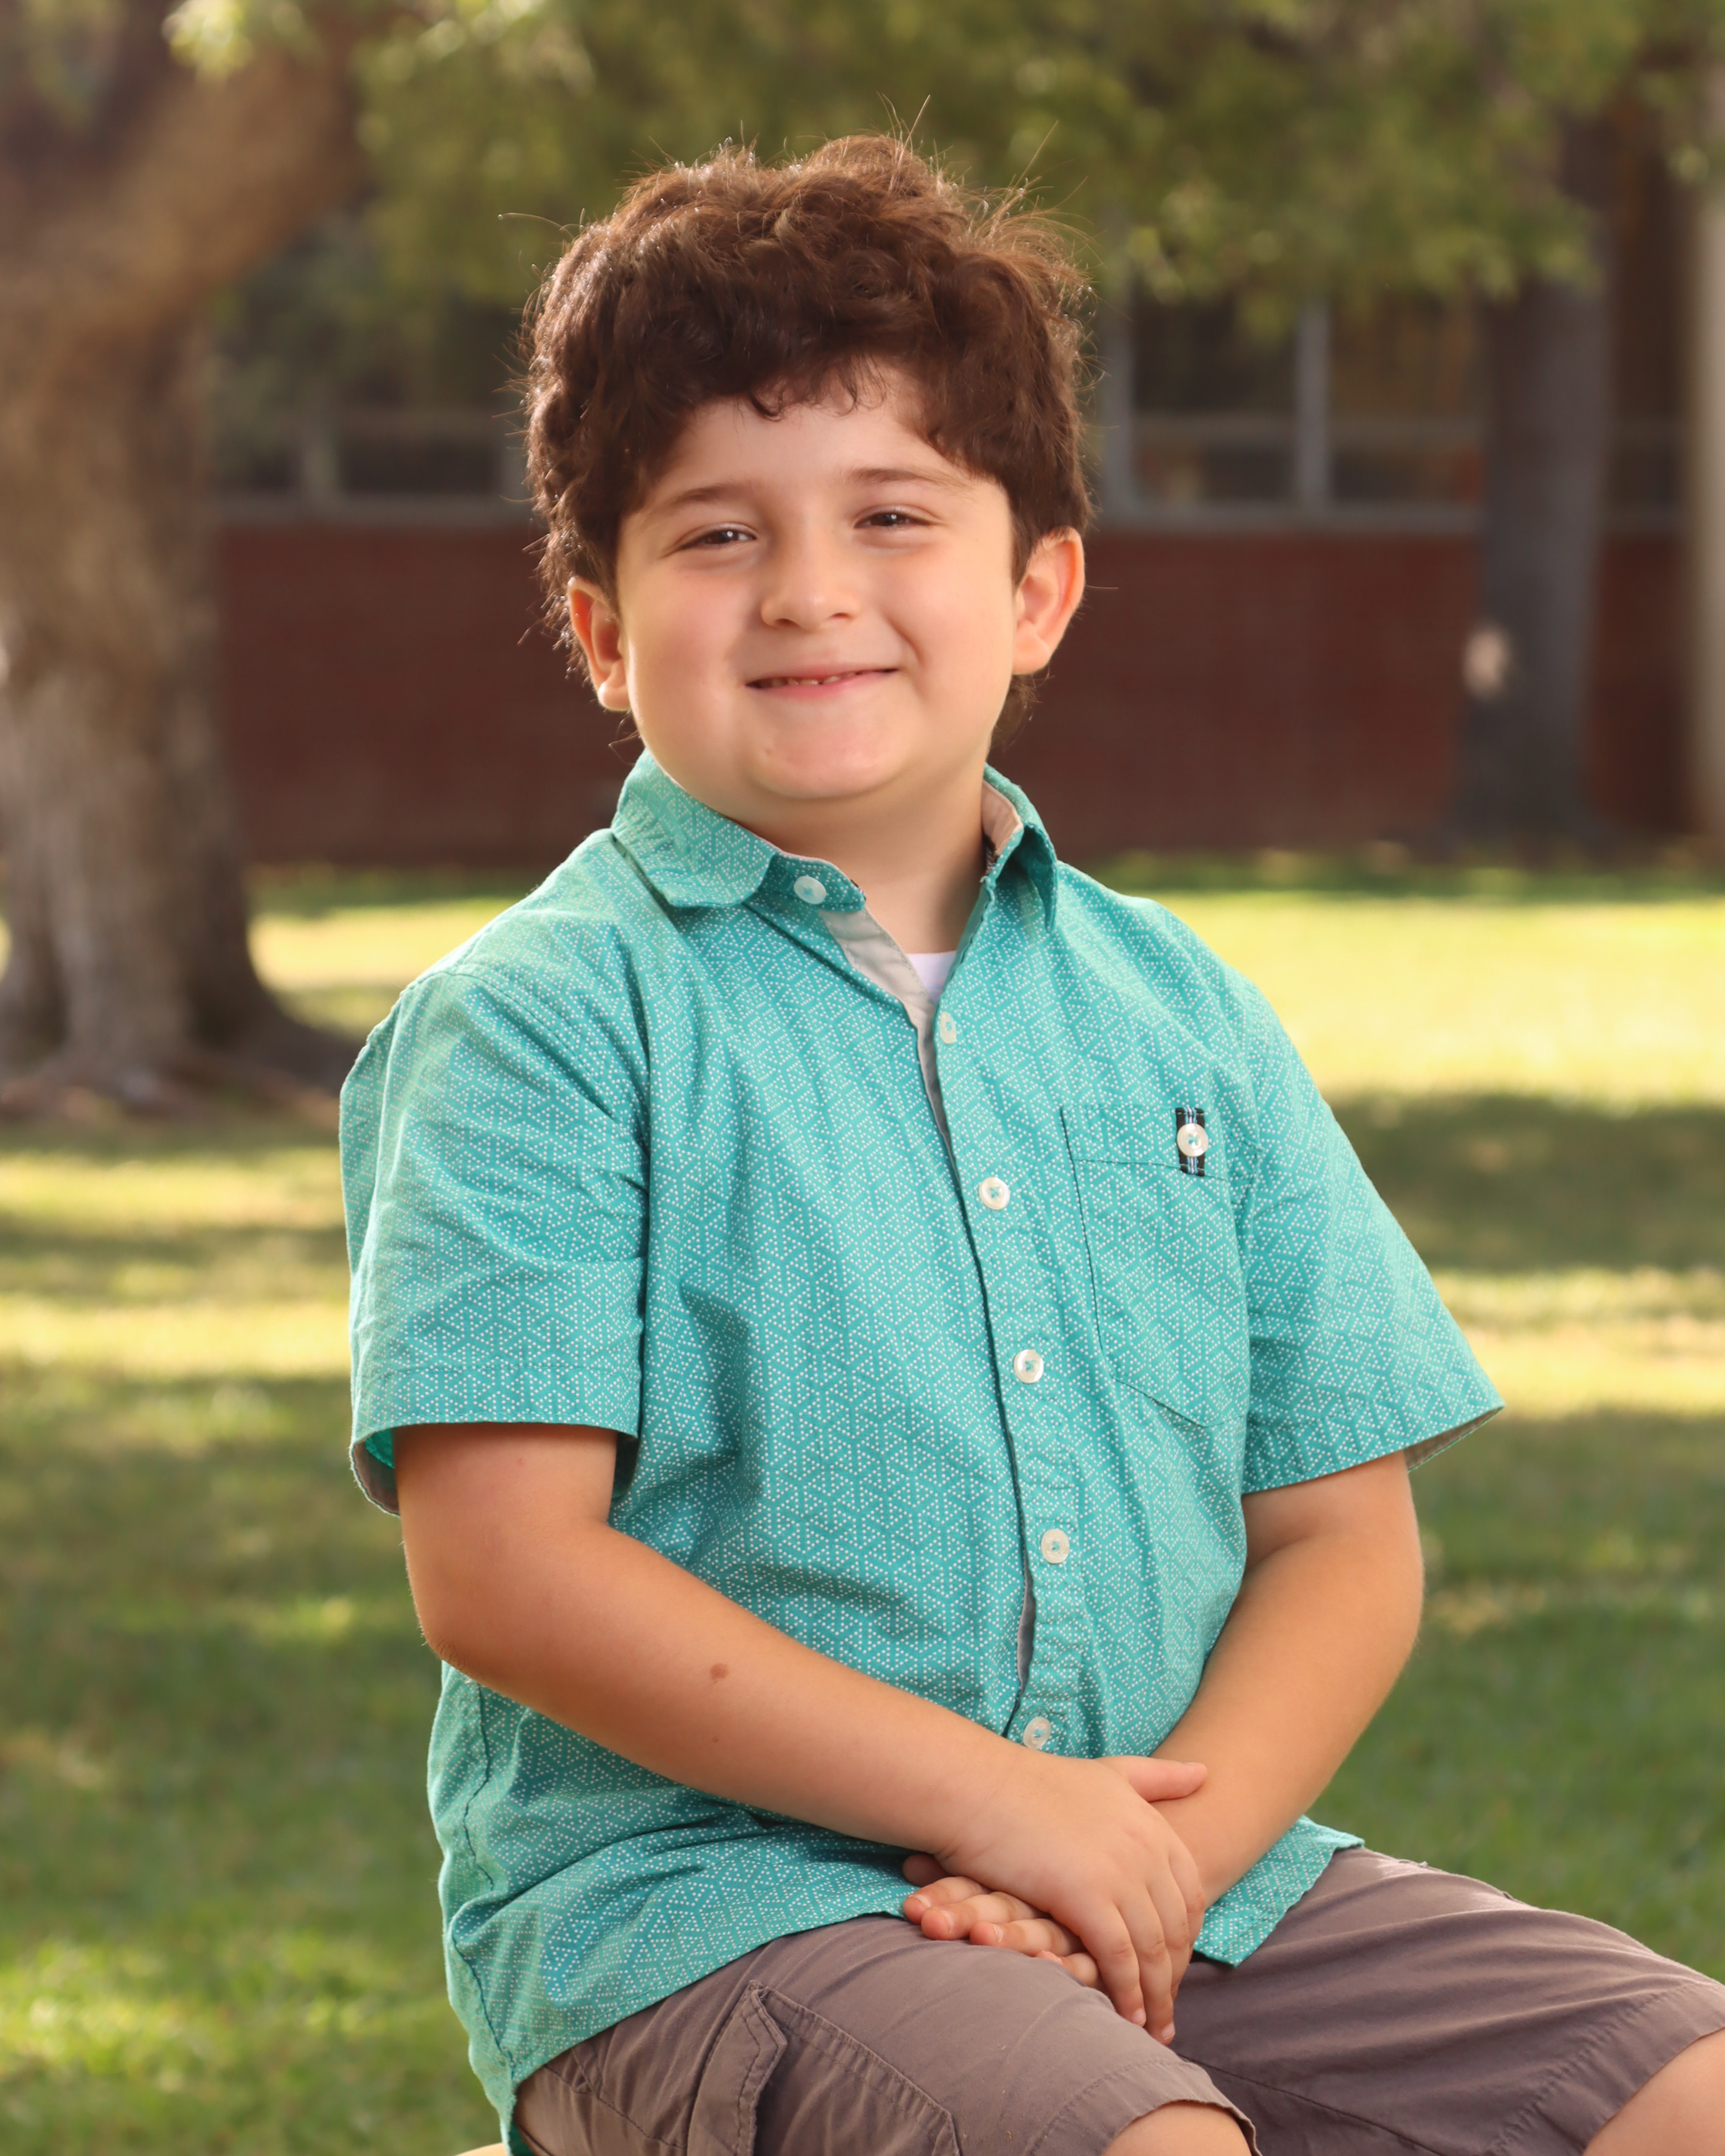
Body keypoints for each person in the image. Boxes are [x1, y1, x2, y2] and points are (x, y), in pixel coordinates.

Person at [339, 135, 1725, 2156]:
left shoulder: (1180, 1013)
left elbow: (1343, 1540)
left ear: (1039, 588)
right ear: (602, 628)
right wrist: (1002, 1810)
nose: (811, 589)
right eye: (717, 533)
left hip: (1182, 1878)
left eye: (892, 513)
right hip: (710, 1917)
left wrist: (1140, 1860)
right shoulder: (541, 1023)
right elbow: (506, 1574)